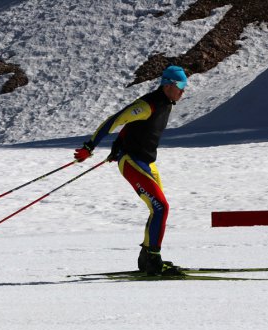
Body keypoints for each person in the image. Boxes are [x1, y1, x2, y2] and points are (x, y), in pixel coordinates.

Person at [73, 65, 188, 276]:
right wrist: (90, 146)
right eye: (181, 85)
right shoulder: (148, 104)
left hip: (147, 163)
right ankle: (153, 259)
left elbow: (133, 127)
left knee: (158, 209)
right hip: (132, 162)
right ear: (168, 84)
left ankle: (147, 257)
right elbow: (116, 120)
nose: (183, 90)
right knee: (161, 207)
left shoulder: (166, 102)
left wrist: (118, 143)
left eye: (185, 85)